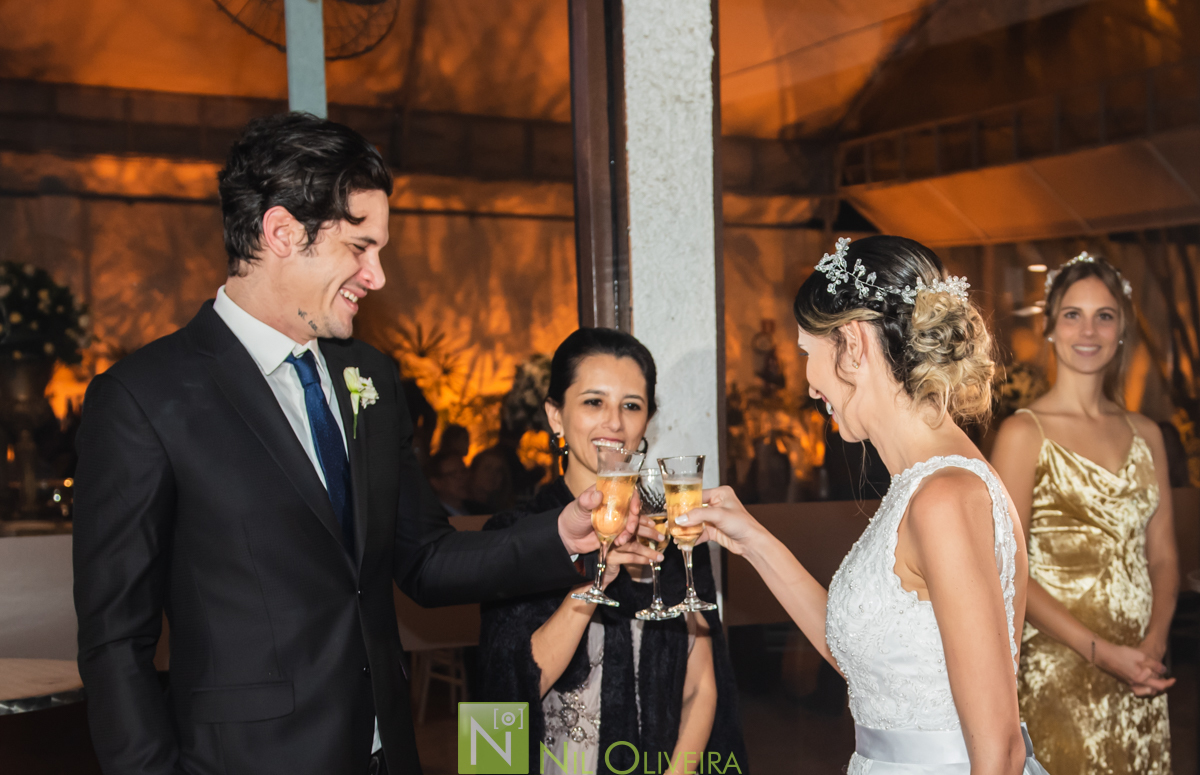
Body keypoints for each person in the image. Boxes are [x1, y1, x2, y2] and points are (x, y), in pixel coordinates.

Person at [71, 113, 654, 775]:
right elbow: (116, 641)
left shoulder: (369, 376)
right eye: (360, 247)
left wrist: (563, 534)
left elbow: (426, 558)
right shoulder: (144, 398)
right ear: (282, 232)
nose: (376, 276)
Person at [685, 235, 1047, 774]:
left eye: (808, 352)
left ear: (852, 344)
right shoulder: (918, 488)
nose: (809, 386)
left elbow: (1000, 750)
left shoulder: (943, 498)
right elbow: (872, 668)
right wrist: (753, 541)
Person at [477, 328, 746, 775]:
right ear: (556, 415)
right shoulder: (514, 535)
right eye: (593, 402)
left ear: (647, 422)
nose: (614, 423)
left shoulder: (672, 527)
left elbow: (701, 683)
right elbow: (503, 693)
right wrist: (591, 585)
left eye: (631, 406)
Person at [991, 252, 1177, 775]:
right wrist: (1099, 652)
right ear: (1049, 327)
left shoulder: (1150, 434)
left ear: (1122, 330)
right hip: (1059, 672)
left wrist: (1154, 643)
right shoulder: (1023, 433)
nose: (1088, 329)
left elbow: (1163, 556)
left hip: (1142, 673)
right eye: (1072, 314)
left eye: (1105, 315)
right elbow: (1006, 569)